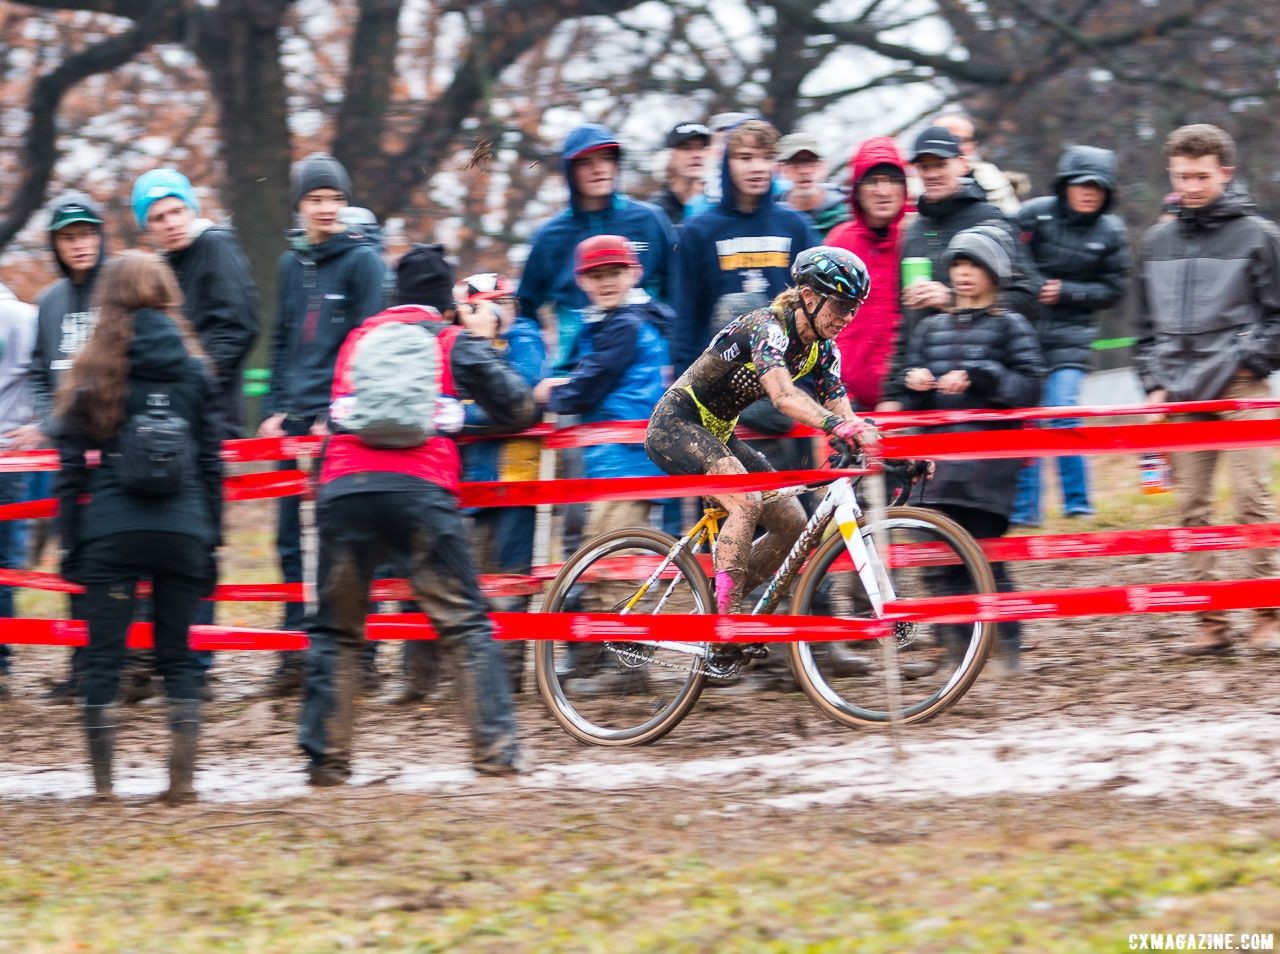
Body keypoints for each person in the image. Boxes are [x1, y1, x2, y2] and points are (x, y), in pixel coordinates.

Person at [297, 248, 539, 785]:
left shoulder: (357, 341)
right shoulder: (451, 342)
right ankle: (496, 751)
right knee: (466, 622)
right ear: (444, 306)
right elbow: (519, 406)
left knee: (336, 629)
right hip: (419, 492)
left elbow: (333, 414)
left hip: (344, 489)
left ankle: (325, 760)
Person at [53, 251, 223, 803]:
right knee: (177, 657)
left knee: (104, 659)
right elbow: (210, 465)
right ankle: (181, 784)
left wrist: (73, 545)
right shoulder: (196, 370)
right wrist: (211, 541)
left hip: (111, 535)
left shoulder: (93, 369)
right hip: (184, 532)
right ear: (166, 294)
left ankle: (104, 789)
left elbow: (71, 473)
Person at [646, 246, 874, 626]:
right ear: (809, 297)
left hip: (719, 433)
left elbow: (844, 412)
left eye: (854, 308)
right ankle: (726, 621)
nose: (847, 317)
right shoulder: (767, 326)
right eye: (840, 306)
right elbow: (783, 395)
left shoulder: (823, 349)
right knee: (747, 501)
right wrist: (835, 427)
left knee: (794, 525)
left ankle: (719, 599)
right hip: (677, 424)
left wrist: (877, 442)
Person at [1135, 123, 1280, 657]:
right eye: (1181, 176)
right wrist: (1152, 382)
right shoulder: (1155, 242)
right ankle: (1210, 620)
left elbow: (1278, 319)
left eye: (1201, 176)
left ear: (1226, 172)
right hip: (1180, 395)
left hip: (1243, 388)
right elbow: (1144, 329)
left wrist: (1247, 360)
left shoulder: (1260, 237)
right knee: (1191, 507)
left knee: (1252, 501)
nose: (1191, 186)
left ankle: (1267, 613)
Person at [259, 153, 386, 695]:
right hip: (295, 422)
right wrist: (277, 410)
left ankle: (362, 652)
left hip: (343, 424)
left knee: (349, 536)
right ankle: (294, 647)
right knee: (288, 538)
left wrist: (335, 417)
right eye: (316, 199)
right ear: (300, 207)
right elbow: (283, 340)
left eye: (335, 198)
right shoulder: (292, 265)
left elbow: (367, 347)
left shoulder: (363, 263)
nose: (328, 208)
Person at [896, 228, 1045, 671]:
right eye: (958, 265)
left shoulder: (1010, 326)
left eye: (973, 266)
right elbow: (909, 401)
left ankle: (1008, 649)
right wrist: (913, 383)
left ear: (994, 275)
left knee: (986, 559)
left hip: (987, 469)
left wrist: (983, 376)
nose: (963, 274)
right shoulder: (929, 328)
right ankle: (956, 654)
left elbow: (1029, 386)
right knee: (942, 564)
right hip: (937, 468)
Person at [6, 192, 109, 701]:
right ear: (56, 244)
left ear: (101, 236)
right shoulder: (48, 303)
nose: (80, 244)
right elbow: (40, 376)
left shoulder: (121, 291)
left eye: (87, 233)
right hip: (69, 457)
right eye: (69, 237)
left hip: (117, 455)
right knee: (76, 558)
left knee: (118, 561)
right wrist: (50, 423)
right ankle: (83, 668)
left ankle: (121, 666)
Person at [879, 125, 1039, 411]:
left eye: (940, 164)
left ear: (963, 165)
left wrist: (952, 299)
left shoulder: (992, 221)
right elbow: (905, 323)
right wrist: (894, 392)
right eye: (923, 167)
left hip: (988, 393)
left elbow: (1028, 297)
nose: (931, 174)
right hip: (928, 395)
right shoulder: (912, 232)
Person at [1011, 146, 1131, 525]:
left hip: (1072, 337)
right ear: (1066, 185)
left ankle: (1078, 505)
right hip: (1024, 332)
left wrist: (1067, 292)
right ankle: (1025, 511)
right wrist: (1035, 285)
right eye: (1082, 184)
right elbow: (1004, 247)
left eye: (1097, 186)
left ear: (1107, 192)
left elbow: (1115, 289)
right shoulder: (1035, 213)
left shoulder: (1111, 231)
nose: (1089, 192)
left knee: (1063, 413)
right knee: (1027, 420)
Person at [516, 123, 675, 371]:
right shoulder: (549, 236)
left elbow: (679, 291)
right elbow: (524, 308)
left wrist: (672, 354)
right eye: (585, 162)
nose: (598, 169)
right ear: (570, 171)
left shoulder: (650, 220)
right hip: (577, 373)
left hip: (646, 371)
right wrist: (535, 369)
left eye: (606, 158)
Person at [671, 118, 821, 372]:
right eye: (746, 157)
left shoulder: (796, 226)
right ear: (727, 163)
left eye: (766, 157)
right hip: (716, 378)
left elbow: (813, 311)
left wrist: (806, 381)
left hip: (784, 376)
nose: (757, 167)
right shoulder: (699, 231)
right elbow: (686, 316)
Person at [132, 168, 259, 437]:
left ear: (191, 209)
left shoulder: (215, 244)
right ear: (147, 228)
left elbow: (236, 328)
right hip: (175, 411)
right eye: (158, 218)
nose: (171, 223)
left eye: (177, 211)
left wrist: (197, 384)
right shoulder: (161, 266)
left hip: (215, 413)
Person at [826, 137, 910, 411]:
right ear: (857, 190)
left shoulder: (917, 236)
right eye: (872, 181)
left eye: (892, 180)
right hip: (846, 399)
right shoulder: (838, 242)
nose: (883, 190)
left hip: (905, 398)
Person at [0, 282, 37, 699]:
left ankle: (1, 665)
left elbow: (45, 373)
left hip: (9, 456)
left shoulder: (20, 316)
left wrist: (41, 424)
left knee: (5, 560)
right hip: (14, 454)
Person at [933, 113, 1021, 215]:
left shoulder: (992, 179)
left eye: (964, 140)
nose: (958, 147)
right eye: (950, 140)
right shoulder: (916, 181)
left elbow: (1010, 219)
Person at [776, 133, 848, 236]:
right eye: (795, 163)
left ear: (823, 166)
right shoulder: (773, 216)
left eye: (810, 162)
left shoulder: (846, 214)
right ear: (783, 169)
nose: (804, 171)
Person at [652, 122, 712, 227]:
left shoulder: (716, 207)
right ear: (668, 158)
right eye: (687, 148)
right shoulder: (655, 212)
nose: (697, 155)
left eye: (701, 148)